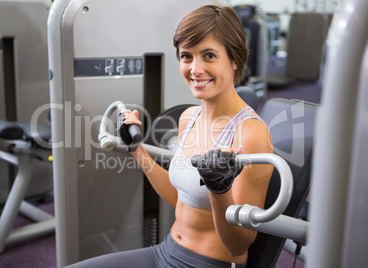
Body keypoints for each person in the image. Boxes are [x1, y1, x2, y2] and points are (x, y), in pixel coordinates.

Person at [68, 5, 273, 268]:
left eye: (209, 55)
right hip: (165, 251)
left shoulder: (250, 134)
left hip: (209, 263)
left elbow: (238, 244)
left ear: (234, 59)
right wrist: (135, 149)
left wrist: (219, 189)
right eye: (187, 56)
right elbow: (181, 197)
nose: (195, 69)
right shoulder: (189, 117)